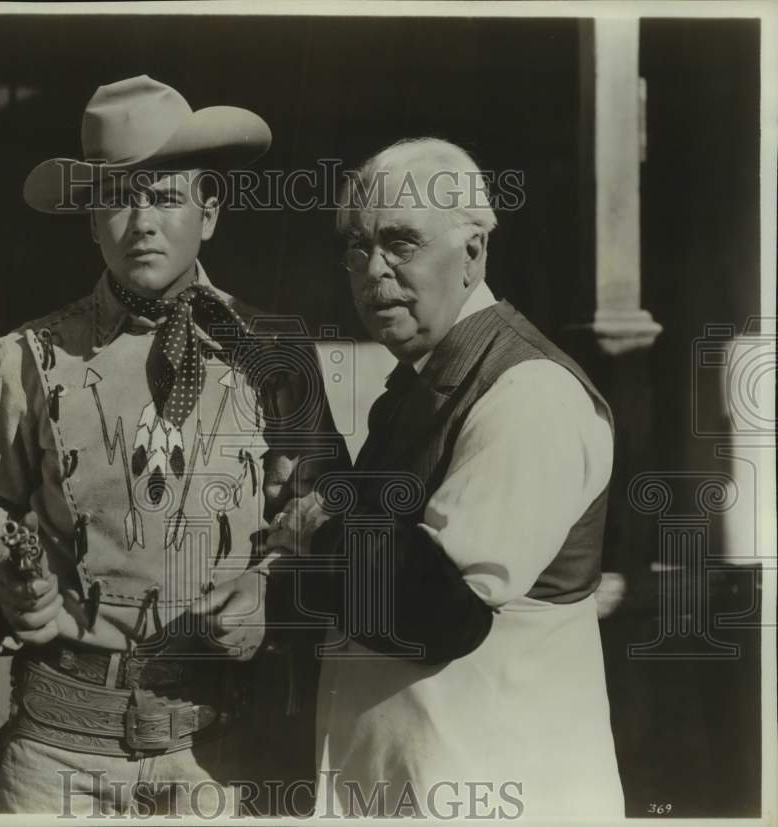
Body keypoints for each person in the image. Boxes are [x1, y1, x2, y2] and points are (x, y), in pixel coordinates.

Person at [0, 75, 346, 816]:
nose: (142, 223)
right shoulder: (29, 356)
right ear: (90, 219)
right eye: (118, 198)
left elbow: (323, 504)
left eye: (165, 196)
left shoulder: (274, 354)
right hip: (57, 748)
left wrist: (269, 588)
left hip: (217, 749)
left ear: (210, 211)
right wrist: (9, 572)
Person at [266, 137, 625, 819]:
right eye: (357, 246)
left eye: (401, 243)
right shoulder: (426, 378)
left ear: (473, 253)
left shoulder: (528, 393)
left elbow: (433, 611)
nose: (373, 271)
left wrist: (314, 523)